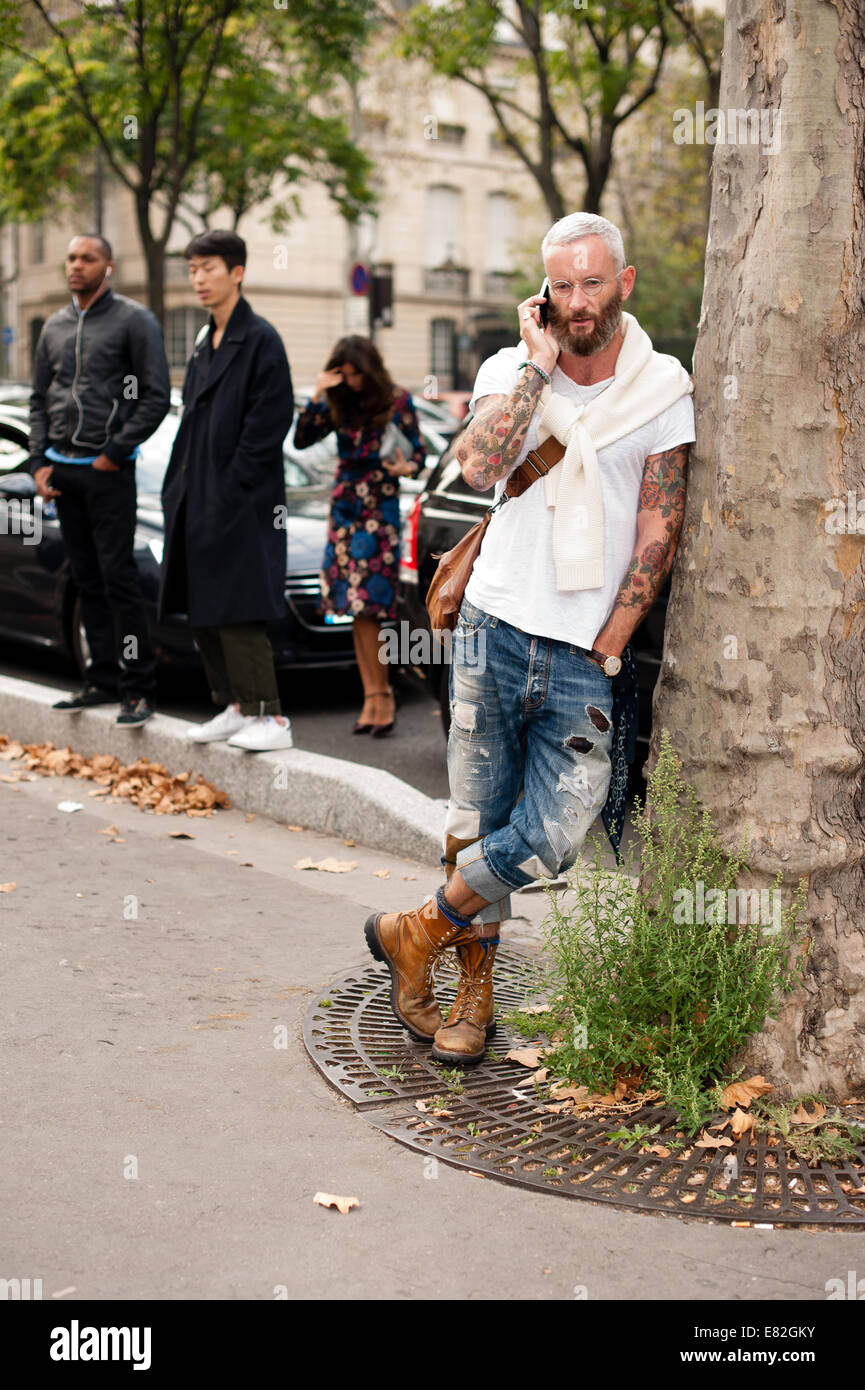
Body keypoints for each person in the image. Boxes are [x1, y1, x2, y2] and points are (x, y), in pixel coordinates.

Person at [365, 213, 696, 1064]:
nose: (576, 301)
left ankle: (417, 930)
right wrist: (536, 370)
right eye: (561, 285)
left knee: (553, 833)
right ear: (543, 291)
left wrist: (612, 643)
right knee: (478, 823)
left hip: (585, 650)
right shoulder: (508, 370)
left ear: (623, 284)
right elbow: (477, 468)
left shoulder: (662, 390)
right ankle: (470, 1001)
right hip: (492, 631)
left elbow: (658, 531)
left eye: (592, 282)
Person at [159, 230, 295, 752]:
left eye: (208, 267)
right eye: (192, 268)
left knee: (239, 609)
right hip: (195, 495)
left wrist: (234, 484)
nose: (198, 278)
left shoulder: (260, 338)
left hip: (242, 502)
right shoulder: (203, 340)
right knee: (204, 605)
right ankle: (235, 706)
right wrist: (182, 489)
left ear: (236, 272)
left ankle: (271, 717)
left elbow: (270, 421)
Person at [30, 233, 170, 725]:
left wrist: (115, 452)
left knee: (119, 580)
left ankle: (138, 689)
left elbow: (155, 396)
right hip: (62, 469)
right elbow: (38, 398)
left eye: (87, 258)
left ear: (108, 266)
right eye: (71, 257)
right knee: (86, 579)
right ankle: (100, 680)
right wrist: (38, 463)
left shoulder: (134, 320)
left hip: (107, 471)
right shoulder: (53, 326)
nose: (76, 266)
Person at [293, 336, 425, 736]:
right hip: (346, 507)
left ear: (370, 370)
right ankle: (371, 697)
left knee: (373, 606)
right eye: (344, 375)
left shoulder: (396, 400)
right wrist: (319, 392)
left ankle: (383, 695)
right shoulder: (338, 403)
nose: (350, 382)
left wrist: (406, 469)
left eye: (355, 374)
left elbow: (417, 455)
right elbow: (301, 439)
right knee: (352, 606)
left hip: (378, 508)